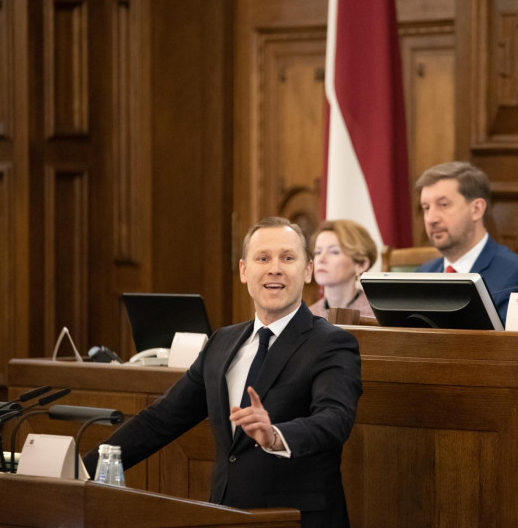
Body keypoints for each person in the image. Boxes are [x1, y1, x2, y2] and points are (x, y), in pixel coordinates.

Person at [84, 217, 362, 528]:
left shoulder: (332, 343)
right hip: (225, 514)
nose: (274, 268)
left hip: (297, 519)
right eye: (262, 258)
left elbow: (335, 419)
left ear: (307, 270)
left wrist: (275, 436)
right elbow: (161, 420)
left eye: (287, 258)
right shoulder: (221, 342)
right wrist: (82, 469)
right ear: (244, 270)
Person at [415, 161, 518, 325]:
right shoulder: (423, 274)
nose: (431, 219)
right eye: (426, 208)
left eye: (443, 205)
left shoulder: (517, 277)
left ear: (477, 209)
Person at [309, 219, 377, 319]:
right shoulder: (308, 316)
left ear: (361, 265)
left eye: (334, 252)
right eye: (318, 252)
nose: (321, 259)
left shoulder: (377, 316)